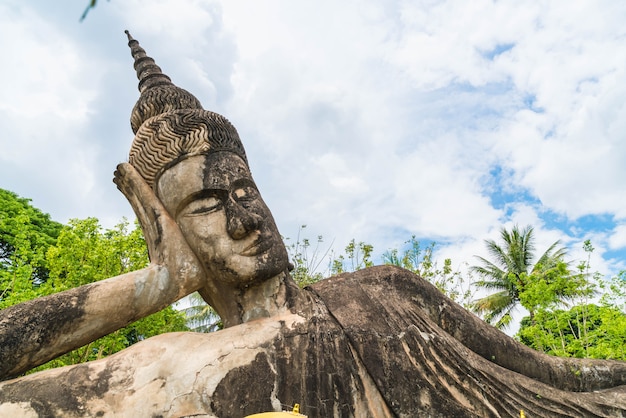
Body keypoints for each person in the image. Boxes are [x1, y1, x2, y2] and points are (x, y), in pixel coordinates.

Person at [0, 33, 624, 417]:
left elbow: (553, 376)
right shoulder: (169, 367)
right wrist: (157, 283)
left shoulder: (388, 291)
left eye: (246, 190)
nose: (245, 218)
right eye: (209, 206)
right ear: (173, 228)